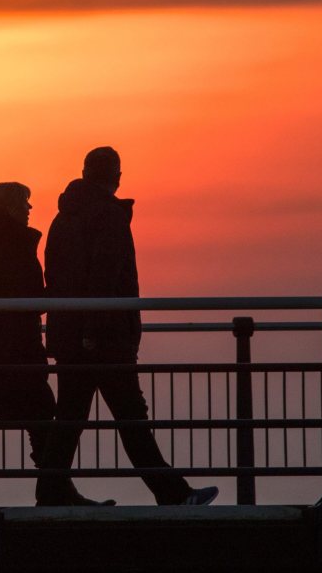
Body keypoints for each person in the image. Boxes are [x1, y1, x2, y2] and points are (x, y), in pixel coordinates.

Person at [37, 147, 218, 506]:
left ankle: (51, 491)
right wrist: (95, 330)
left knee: (71, 417)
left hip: (72, 335)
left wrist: (75, 329)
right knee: (131, 417)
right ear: (116, 176)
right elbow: (105, 276)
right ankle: (173, 494)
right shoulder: (109, 216)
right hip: (105, 339)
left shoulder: (63, 219)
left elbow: (55, 277)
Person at [0, 182, 113, 508]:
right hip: (8, 350)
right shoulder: (6, 242)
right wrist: (60, 294)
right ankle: (55, 492)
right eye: (24, 202)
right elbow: (19, 293)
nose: (29, 209)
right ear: (9, 206)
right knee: (29, 422)